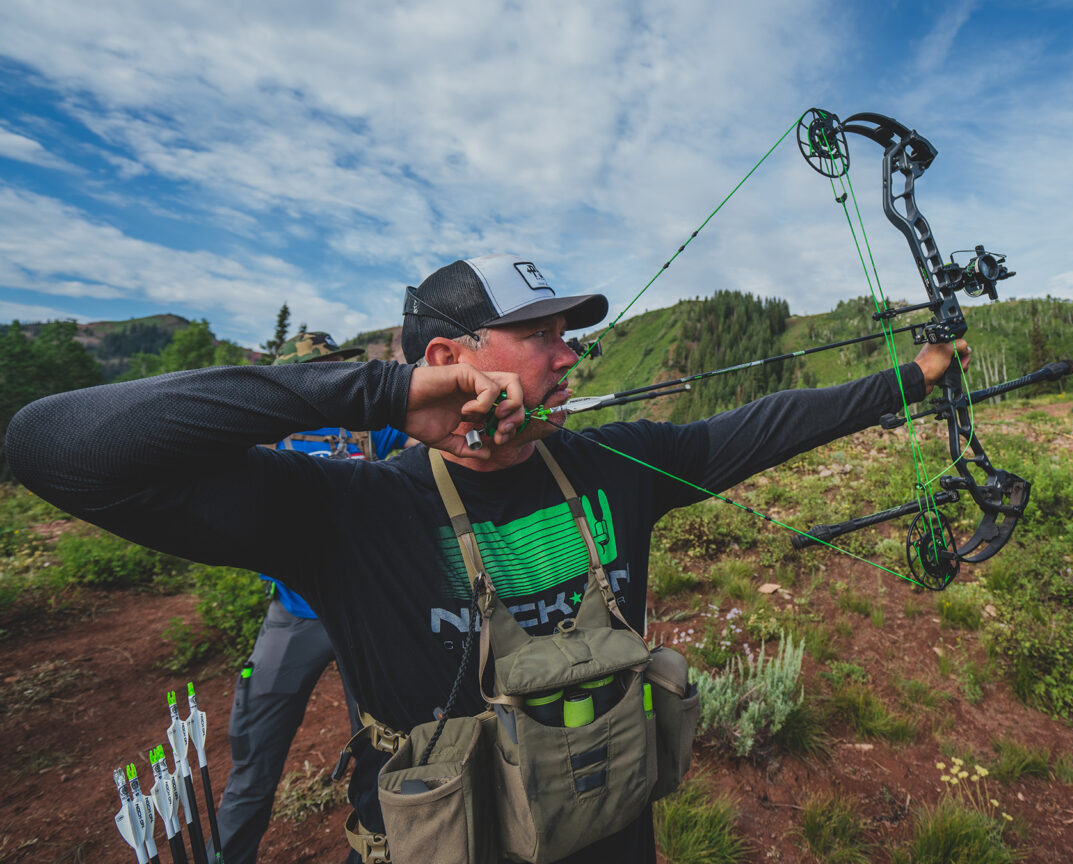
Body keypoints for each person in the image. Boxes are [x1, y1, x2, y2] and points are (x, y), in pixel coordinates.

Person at [7, 253, 966, 864]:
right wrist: (378, 394)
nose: (568, 355)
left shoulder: (612, 464)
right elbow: (54, 445)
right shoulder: (345, 507)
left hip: (605, 820)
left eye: (568, 334)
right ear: (448, 355)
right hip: (444, 840)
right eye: (541, 334)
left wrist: (912, 378)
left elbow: (761, 426)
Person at [214, 330, 410, 864]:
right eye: (313, 369)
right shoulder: (265, 431)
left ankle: (375, 852)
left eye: (336, 366)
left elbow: (430, 408)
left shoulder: (371, 427)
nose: (325, 377)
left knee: (382, 746)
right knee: (255, 753)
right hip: (294, 614)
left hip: (364, 612)